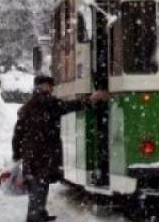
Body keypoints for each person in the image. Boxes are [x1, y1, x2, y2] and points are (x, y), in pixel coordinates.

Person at [12, 75, 108, 222]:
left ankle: (40, 213)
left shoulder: (28, 106)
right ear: (43, 86)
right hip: (43, 154)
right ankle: (35, 217)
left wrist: (17, 152)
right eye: (50, 86)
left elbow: (17, 133)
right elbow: (68, 106)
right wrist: (90, 100)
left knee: (37, 185)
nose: (52, 89)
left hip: (32, 154)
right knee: (39, 185)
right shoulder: (47, 103)